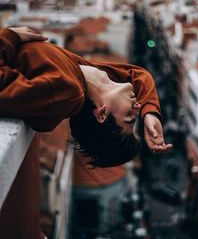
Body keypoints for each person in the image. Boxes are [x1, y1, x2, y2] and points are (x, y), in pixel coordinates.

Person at [0, 27, 173, 167]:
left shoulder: (67, 93)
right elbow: (138, 75)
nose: (137, 107)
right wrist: (150, 112)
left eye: (129, 116)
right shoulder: (84, 75)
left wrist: (9, 37)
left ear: (101, 113)